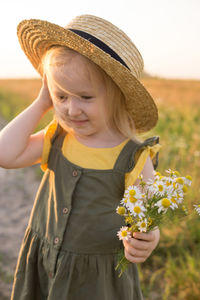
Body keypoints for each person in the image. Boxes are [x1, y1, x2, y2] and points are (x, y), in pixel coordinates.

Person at [0, 15, 161, 300]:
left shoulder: (133, 156)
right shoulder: (59, 137)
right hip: (46, 262)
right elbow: (6, 154)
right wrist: (41, 104)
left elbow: (147, 220)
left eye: (85, 97)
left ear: (117, 97)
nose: (72, 110)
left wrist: (149, 238)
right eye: (61, 96)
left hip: (97, 281)